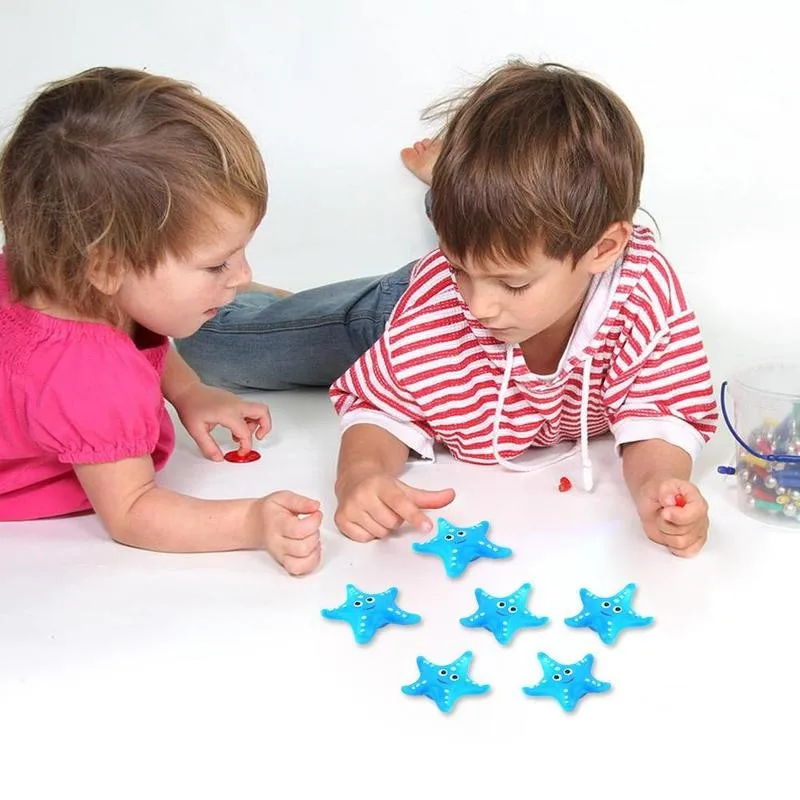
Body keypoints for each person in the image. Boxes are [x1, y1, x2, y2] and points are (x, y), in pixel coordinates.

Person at [329, 60, 718, 557]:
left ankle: (447, 190)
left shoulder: (643, 291)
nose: (478, 306)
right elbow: (381, 404)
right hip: (390, 303)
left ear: (604, 249)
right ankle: (446, 192)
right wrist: (359, 475)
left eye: (513, 284)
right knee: (248, 341)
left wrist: (658, 485)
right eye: (461, 270)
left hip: (483, 247)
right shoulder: (441, 302)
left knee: (495, 242)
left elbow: (659, 408)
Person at [0, 67, 321, 575]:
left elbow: (135, 327)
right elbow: (132, 511)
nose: (243, 275)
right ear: (106, 267)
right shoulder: (92, 378)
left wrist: (188, 390)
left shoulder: (62, 274)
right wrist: (249, 522)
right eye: (216, 265)